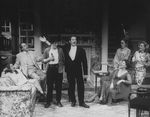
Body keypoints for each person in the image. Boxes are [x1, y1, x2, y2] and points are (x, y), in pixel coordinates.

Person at [64, 36, 89, 108]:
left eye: (75, 39)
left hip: (78, 70)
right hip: (69, 70)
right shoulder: (66, 48)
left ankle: (81, 102)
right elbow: (56, 46)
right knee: (71, 86)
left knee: (80, 86)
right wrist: (47, 42)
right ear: (70, 41)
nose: (74, 41)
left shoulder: (81, 50)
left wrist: (85, 73)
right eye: (72, 39)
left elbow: (85, 62)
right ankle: (73, 101)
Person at [42, 37, 65, 108]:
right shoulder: (47, 50)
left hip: (58, 69)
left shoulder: (60, 50)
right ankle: (48, 101)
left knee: (58, 86)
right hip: (50, 69)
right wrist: (49, 59)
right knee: (50, 86)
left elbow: (63, 60)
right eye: (55, 43)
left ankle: (58, 101)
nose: (56, 44)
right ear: (51, 43)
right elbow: (43, 60)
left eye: (57, 43)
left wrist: (61, 66)